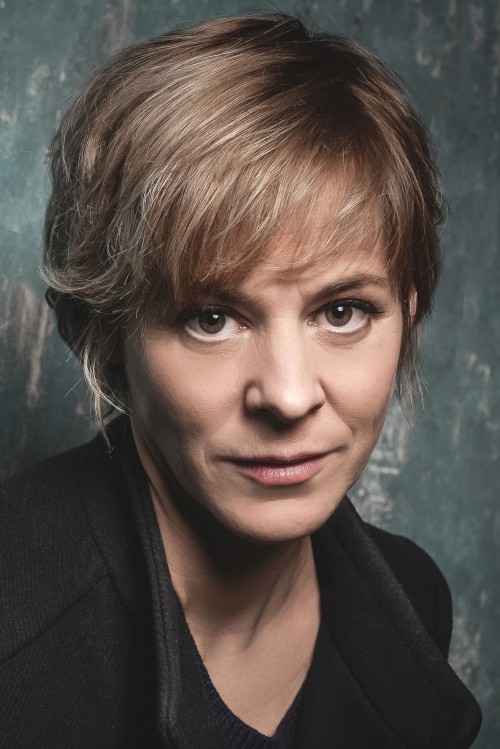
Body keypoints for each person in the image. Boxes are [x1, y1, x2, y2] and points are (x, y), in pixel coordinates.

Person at [0, 14, 482, 749]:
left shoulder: (410, 599)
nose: (288, 396)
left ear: (409, 312)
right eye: (211, 318)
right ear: (104, 333)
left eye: (343, 311)